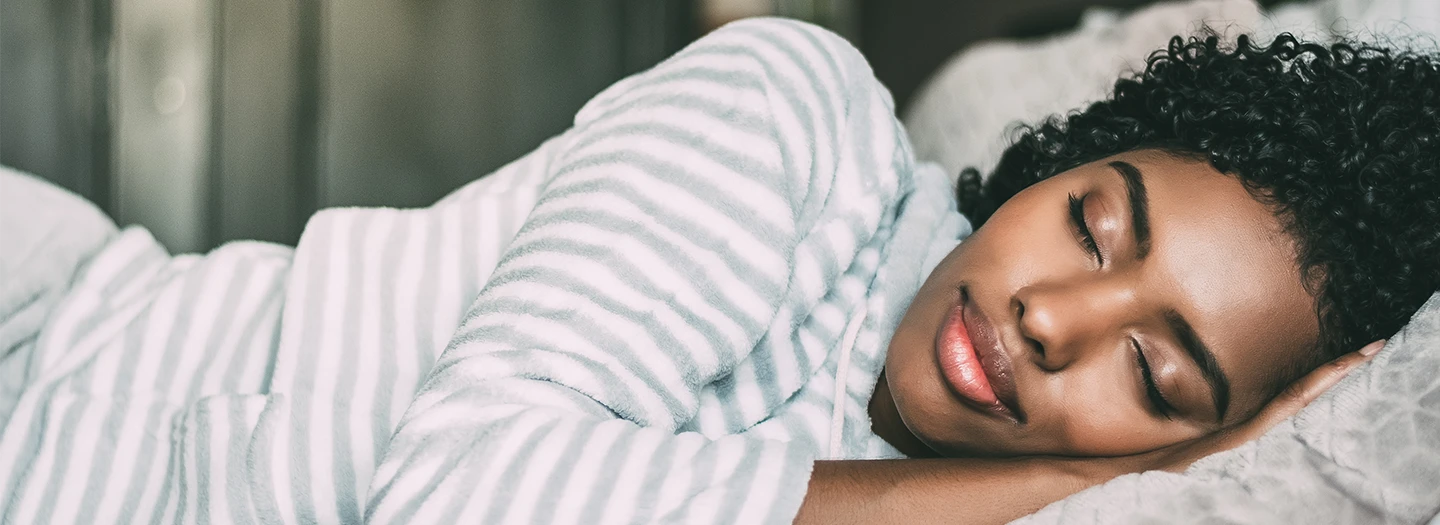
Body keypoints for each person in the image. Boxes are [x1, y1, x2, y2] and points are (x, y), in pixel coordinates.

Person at [0, 17, 1433, 525]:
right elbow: (463, 497)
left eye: (1154, 374)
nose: (1052, 317)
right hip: (46, 360)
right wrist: (1108, 468)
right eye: (1092, 224)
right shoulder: (795, 116)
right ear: (1062, 157)